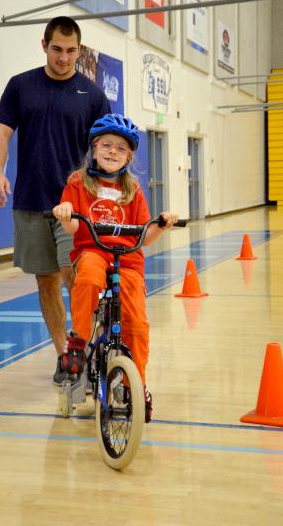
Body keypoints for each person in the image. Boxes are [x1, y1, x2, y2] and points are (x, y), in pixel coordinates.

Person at [0, 16, 111, 385]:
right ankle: (65, 357)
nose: (64, 57)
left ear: (80, 50)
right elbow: (0, 131)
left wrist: (105, 193)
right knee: (46, 283)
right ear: (44, 45)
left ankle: (88, 349)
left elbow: (106, 150)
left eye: (71, 50)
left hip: (76, 206)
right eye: (57, 49)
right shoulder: (21, 86)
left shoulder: (92, 95)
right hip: (31, 200)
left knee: (78, 278)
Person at [52, 113, 179, 422]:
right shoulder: (78, 183)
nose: (112, 152)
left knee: (136, 323)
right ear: (93, 149)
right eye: (106, 145)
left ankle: (138, 382)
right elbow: (71, 229)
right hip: (93, 251)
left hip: (128, 260)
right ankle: (78, 347)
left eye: (120, 148)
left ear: (129, 156)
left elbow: (144, 236)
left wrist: (161, 225)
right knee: (90, 278)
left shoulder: (133, 190)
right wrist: (65, 212)